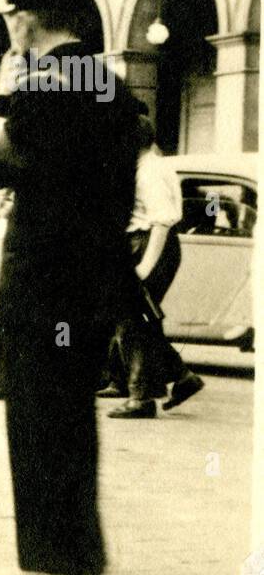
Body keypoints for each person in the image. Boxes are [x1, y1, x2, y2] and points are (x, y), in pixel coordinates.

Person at [0, 0, 142, 575]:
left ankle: (50, 558)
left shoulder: (42, 84)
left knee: (38, 412)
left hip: (44, 275)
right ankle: (81, 552)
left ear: (30, 21)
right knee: (72, 412)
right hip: (92, 275)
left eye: (11, 15)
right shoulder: (109, 86)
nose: (9, 25)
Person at [103, 115, 204, 418]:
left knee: (131, 319)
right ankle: (177, 378)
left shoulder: (148, 172)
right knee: (141, 318)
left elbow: (161, 220)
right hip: (148, 244)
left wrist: (145, 266)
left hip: (150, 244)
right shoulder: (151, 165)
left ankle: (142, 398)